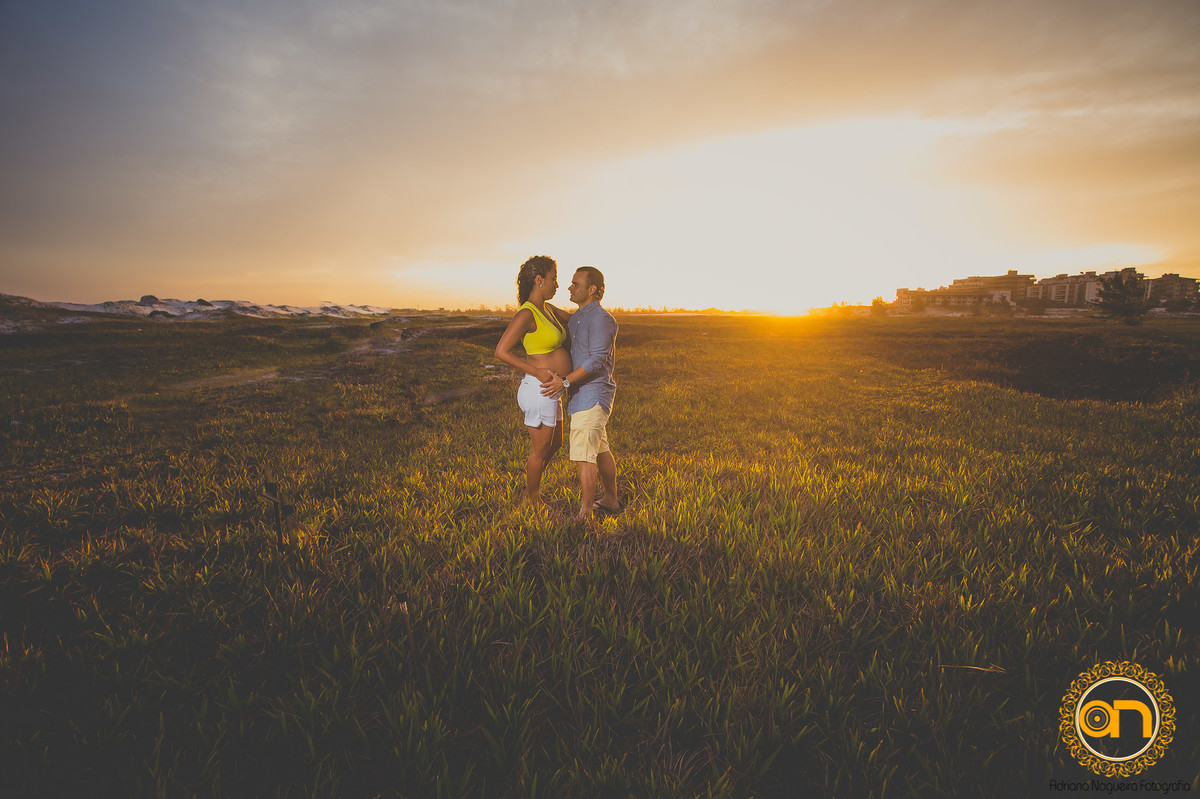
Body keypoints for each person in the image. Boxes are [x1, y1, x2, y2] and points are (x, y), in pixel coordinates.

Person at [540, 266, 619, 519]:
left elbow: (596, 359)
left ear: (592, 289)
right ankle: (611, 499)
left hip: (592, 396)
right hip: (582, 397)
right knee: (600, 449)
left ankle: (585, 514)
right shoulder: (579, 317)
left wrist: (564, 382)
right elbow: (568, 318)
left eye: (576, 284)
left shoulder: (602, 319)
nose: (569, 287)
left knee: (585, 456)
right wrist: (543, 304)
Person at [494, 256, 572, 507]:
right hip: (539, 388)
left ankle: (532, 481)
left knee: (555, 443)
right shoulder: (527, 313)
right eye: (553, 279)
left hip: (552, 390)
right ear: (539, 280)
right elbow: (501, 351)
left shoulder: (548, 309)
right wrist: (536, 371)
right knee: (539, 450)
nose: (557, 285)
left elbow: (576, 320)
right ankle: (533, 500)